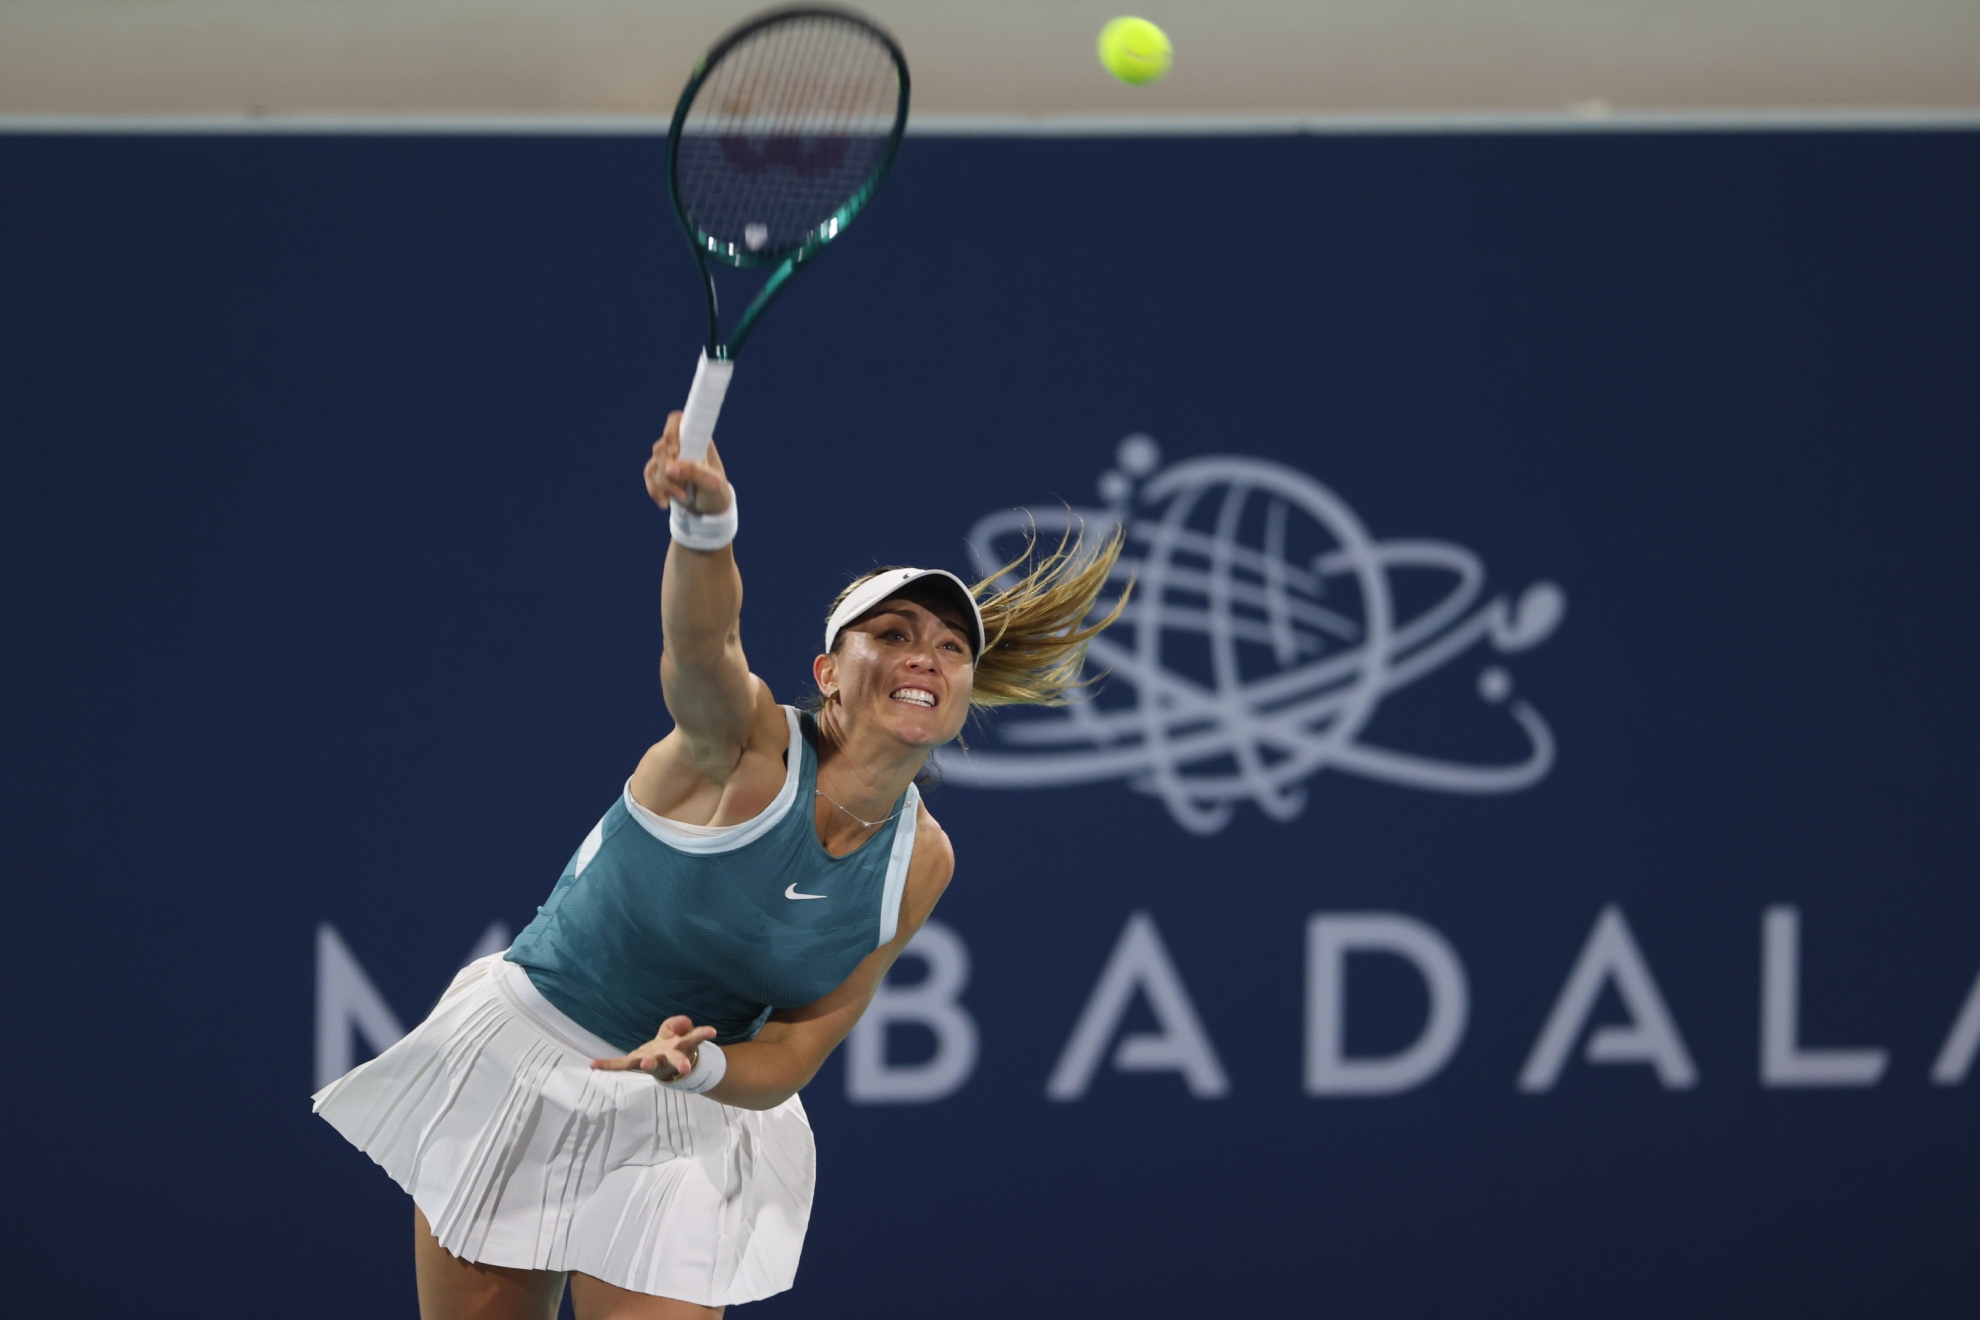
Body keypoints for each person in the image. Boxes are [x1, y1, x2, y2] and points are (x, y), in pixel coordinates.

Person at [314, 410, 1124, 1319]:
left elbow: (794, 1047)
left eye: (948, 646)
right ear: (826, 670)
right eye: (891, 634)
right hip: (531, 1060)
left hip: (692, 1114)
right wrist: (706, 528)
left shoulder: (922, 862)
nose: (922, 657)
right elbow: (702, 647)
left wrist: (693, 1072)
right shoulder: (738, 747)